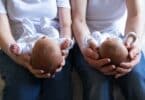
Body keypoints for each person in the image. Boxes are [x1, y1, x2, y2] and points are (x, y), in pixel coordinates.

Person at [71, 0, 145, 100]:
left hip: (120, 39)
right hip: (88, 39)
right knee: (97, 83)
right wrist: (86, 46)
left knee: (136, 78)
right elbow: (78, 19)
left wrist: (133, 43)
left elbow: (135, 14)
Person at [0, 0, 73, 100]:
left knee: (58, 91)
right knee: (22, 92)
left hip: (54, 45)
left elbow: (65, 25)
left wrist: (62, 52)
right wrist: (20, 59)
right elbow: (2, 31)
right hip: (19, 46)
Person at [9, 17, 73, 77]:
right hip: (52, 37)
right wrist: (67, 44)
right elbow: (63, 42)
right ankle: (45, 26)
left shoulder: (31, 47)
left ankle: (36, 26)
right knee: (55, 33)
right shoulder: (55, 43)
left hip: (32, 36)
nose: (44, 37)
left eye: (43, 39)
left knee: (27, 33)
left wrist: (18, 48)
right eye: (45, 39)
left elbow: (23, 47)